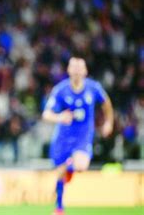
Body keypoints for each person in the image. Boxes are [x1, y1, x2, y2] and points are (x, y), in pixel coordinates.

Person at [42, 56, 114, 215]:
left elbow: (106, 104)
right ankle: (59, 207)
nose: (76, 71)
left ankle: (69, 167)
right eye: (73, 67)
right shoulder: (60, 90)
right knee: (60, 173)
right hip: (63, 137)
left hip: (83, 136)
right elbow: (46, 114)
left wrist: (109, 122)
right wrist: (59, 117)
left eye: (79, 67)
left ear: (85, 71)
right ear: (68, 70)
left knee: (81, 166)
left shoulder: (93, 88)